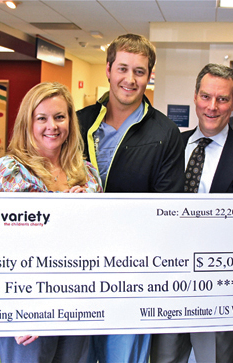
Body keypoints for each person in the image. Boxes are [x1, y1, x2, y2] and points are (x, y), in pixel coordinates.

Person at [150, 63, 233, 363]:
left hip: (221, 289)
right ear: (195, 96)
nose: (212, 107)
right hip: (167, 282)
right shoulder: (168, 147)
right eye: (206, 96)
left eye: (222, 99)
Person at [76, 34, 185, 363]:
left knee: (122, 356)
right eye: (123, 68)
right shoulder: (77, 122)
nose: (130, 79)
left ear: (149, 76)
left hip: (130, 269)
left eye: (140, 71)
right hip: (75, 264)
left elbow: (167, 208)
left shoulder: (165, 133)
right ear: (108, 69)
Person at [0, 82, 102, 362]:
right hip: (26, 305)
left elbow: (98, 237)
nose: (52, 126)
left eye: (59, 117)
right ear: (29, 122)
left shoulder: (88, 174)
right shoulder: (10, 169)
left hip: (76, 301)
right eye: (42, 118)